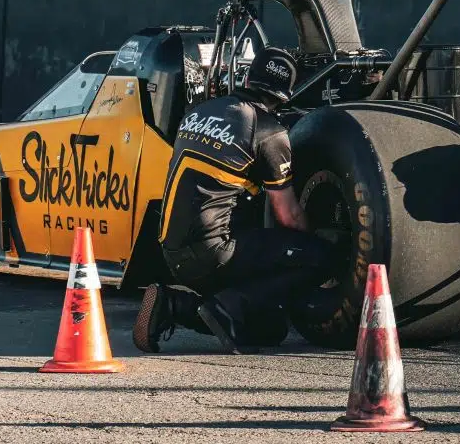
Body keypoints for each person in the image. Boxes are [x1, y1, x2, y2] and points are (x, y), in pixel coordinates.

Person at [135, 48, 333, 354]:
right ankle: (222, 304)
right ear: (285, 94)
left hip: (171, 251)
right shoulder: (268, 131)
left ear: (248, 78)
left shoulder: (199, 111)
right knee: (319, 257)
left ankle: (175, 304)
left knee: (270, 330)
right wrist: (313, 243)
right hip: (213, 252)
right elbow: (289, 217)